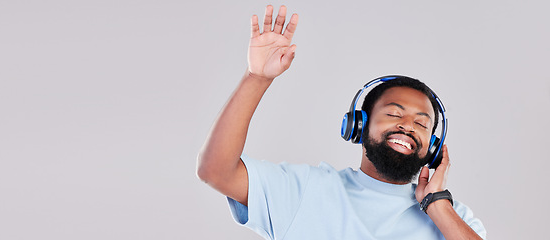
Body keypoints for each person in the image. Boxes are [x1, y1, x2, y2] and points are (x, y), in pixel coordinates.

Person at [197, 5, 486, 240]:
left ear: (433, 148)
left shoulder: (452, 218)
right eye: (394, 114)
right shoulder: (305, 191)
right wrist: (257, 78)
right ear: (358, 125)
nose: (408, 126)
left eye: (422, 124)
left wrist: (436, 204)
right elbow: (215, 170)